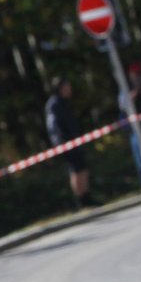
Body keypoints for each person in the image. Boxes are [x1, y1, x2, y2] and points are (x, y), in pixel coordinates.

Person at [45, 77, 95, 208]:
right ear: (61, 88)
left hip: (74, 141)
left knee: (82, 168)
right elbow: (53, 127)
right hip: (66, 144)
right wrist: (61, 143)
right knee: (75, 170)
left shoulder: (64, 102)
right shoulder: (54, 105)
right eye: (67, 86)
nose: (70, 89)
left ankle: (87, 197)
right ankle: (81, 200)